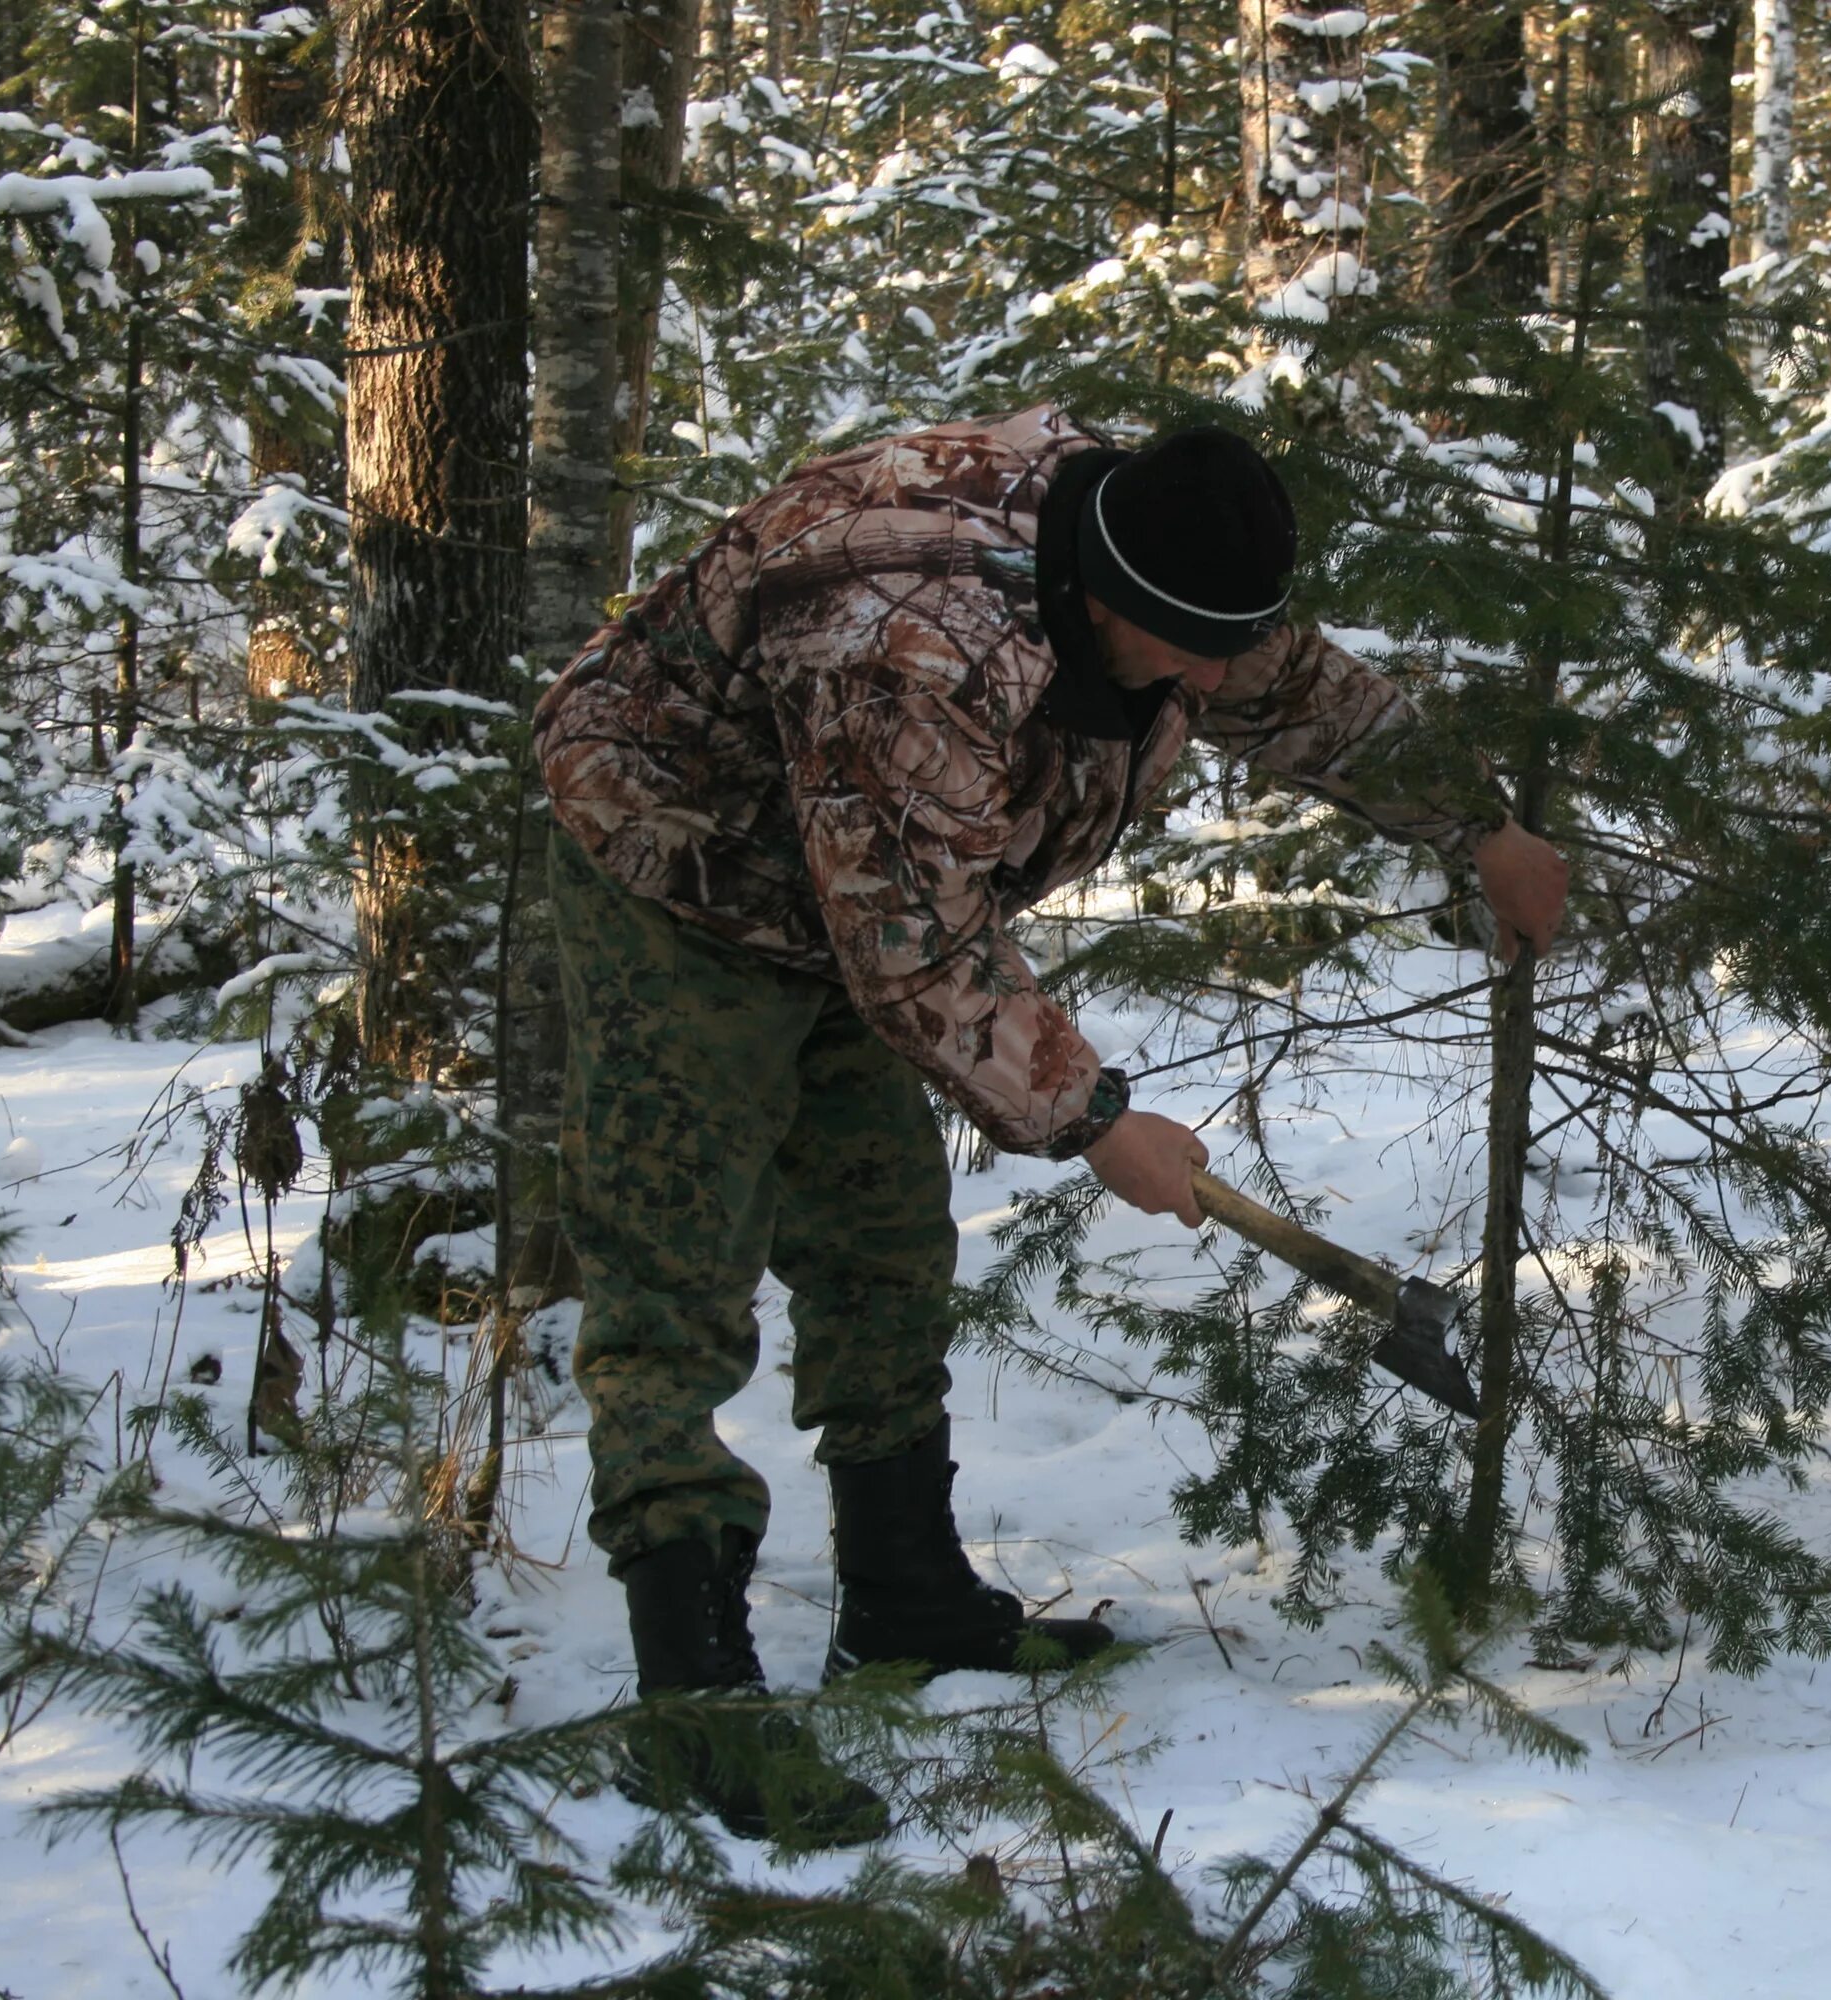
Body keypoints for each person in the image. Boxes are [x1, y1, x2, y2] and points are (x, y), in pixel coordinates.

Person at [533, 406, 1566, 1840]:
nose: (1213, 684)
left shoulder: (1159, 549)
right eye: (1188, 653)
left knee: (884, 1242)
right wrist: (1092, 1120)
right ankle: (692, 1705)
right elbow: (914, 945)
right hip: (681, 862)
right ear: (1097, 602)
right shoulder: (914, 641)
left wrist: (1478, 823)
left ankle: (904, 1599)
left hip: (859, 876)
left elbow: (1295, 688)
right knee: (676, 1269)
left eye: (1223, 646)